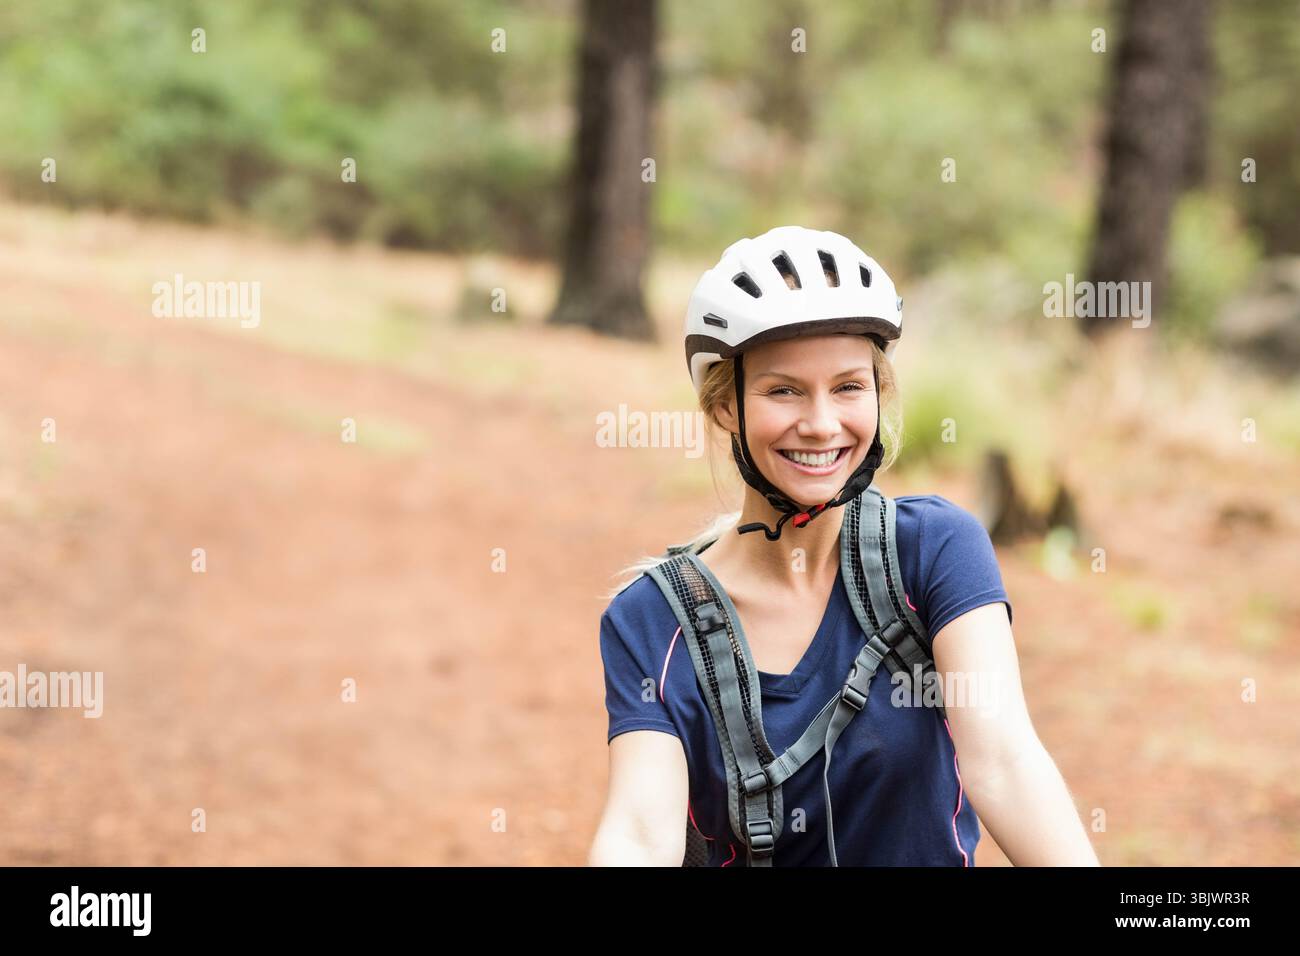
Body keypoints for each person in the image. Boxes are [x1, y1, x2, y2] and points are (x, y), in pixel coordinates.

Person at [588, 226, 1099, 866]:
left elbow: (1003, 760)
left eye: (849, 386)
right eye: (784, 390)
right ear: (724, 407)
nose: (822, 423)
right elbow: (640, 831)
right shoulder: (650, 621)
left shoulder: (935, 551)